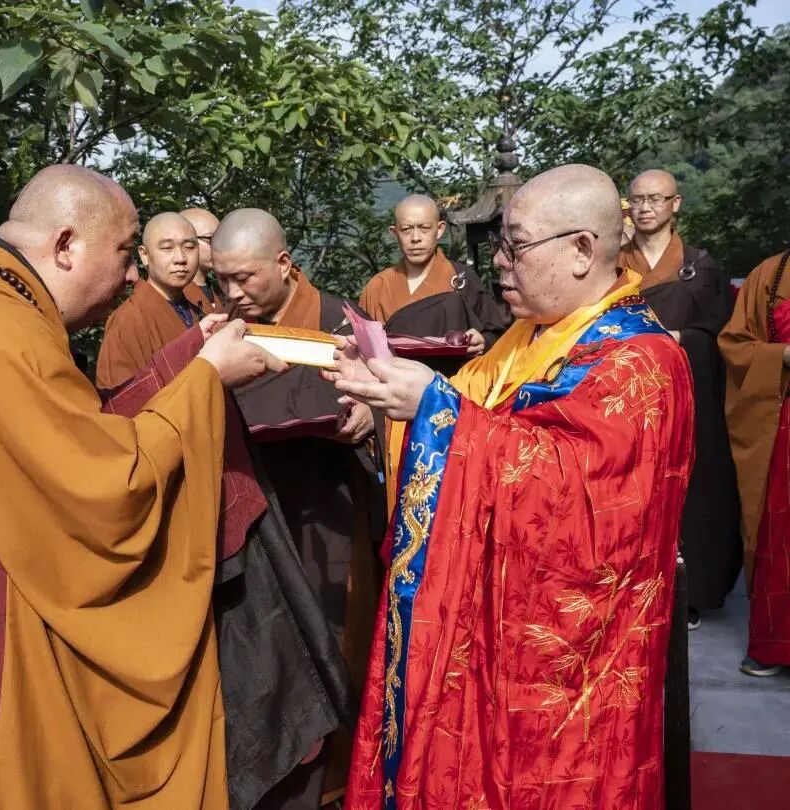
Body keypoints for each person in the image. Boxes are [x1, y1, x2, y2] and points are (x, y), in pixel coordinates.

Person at [0, 164, 285, 810]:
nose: (134, 275)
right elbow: (104, 486)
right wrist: (203, 383)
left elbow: (74, 435)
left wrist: (185, 362)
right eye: (124, 251)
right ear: (64, 246)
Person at [331, 165, 694, 809]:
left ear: (582, 249)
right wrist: (391, 389)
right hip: (494, 629)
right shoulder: (531, 337)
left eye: (515, 246)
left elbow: (583, 509)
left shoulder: (642, 361)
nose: (498, 262)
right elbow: (471, 412)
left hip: (572, 664)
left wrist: (437, 411)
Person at [212, 208, 385, 809]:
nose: (233, 293)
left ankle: (338, 784)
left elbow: (393, 402)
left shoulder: (342, 322)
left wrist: (372, 420)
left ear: (284, 265)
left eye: (244, 278)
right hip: (257, 515)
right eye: (222, 279)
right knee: (269, 653)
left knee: (336, 643)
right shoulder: (226, 330)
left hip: (330, 514)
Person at [619, 169, 740, 628]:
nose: (646, 207)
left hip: (685, 389)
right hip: (625, 391)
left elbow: (719, 332)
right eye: (637, 200)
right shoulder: (613, 263)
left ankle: (688, 591)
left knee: (687, 483)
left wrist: (676, 339)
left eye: (656, 198)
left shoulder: (700, 265)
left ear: (677, 204)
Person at [358, 194, 508, 509]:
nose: (415, 238)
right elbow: (362, 350)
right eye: (407, 229)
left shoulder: (462, 280)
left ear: (439, 230)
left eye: (424, 228)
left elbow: (498, 335)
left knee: (449, 494)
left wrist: (482, 340)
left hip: (449, 400)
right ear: (393, 232)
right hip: (392, 408)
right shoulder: (377, 287)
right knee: (399, 494)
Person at [719, 249, 790, 677]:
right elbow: (734, 342)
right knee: (779, 534)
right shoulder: (771, 272)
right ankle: (773, 643)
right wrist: (780, 357)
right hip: (783, 421)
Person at [95, 211, 204, 388]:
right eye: (167, 248)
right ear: (144, 255)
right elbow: (121, 402)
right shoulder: (128, 320)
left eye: (189, 247)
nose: (181, 259)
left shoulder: (197, 307)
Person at [181, 207, 223, 313]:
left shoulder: (225, 290)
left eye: (221, 239)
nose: (219, 246)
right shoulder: (174, 296)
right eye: (210, 239)